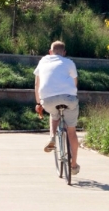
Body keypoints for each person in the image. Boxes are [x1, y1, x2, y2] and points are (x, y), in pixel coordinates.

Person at [34, 40, 80, 175]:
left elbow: (37, 84)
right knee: (72, 131)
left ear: (50, 52)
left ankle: (52, 137)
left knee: (53, 115)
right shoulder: (69, 62)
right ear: (64, 53)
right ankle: (73, 165)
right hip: (68, 98)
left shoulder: (43, 61)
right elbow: (75, 83)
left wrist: (38, 103)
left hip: (48, 99)